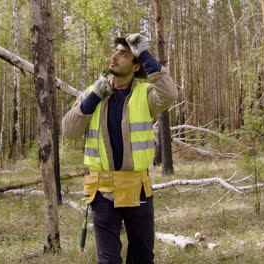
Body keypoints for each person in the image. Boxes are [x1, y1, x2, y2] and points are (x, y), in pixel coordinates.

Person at [62, 33, 178, 264]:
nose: (114, 57)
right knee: (109, 259)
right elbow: (69, 131)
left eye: (123, 54)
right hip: (102, 189)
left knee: (143, 255)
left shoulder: (146, 94)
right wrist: (94, 96)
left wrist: (145, 54)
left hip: (138, 187)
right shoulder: (93, 93)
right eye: (114, 52)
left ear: (136, 66)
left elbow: (170, 94)